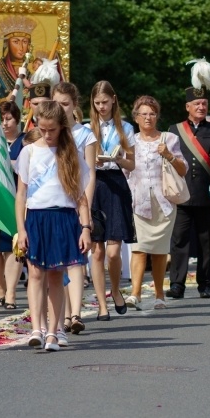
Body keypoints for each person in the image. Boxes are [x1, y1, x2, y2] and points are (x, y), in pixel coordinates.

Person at [16, 101, 92, 351]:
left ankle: (53, 331)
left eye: (52, 130)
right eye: (43, 129)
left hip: (63, 217)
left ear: (62, 128)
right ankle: (36, 327)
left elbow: (80, 196)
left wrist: (85, 228)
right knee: (35, 273)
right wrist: (22, 228)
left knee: (56, 274)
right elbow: (21, 194)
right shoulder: (29, 152)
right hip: (36, 217)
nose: (47, 135)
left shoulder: (71, 153)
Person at [167, 79, 210, 299]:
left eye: (204, 103)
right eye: (197, 104)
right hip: (182, 194)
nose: (201, 107)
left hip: (206, 194)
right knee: (179, 241)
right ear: (188, 107)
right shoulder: (174, 130)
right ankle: (177, 284)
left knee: (206, 242)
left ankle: (206, 283)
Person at [125, 96, 188, 309]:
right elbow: (124, 171)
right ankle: (135, 293)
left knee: (160, 250)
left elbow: (183, 169)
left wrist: (169, 155)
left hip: (163, 201)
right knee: (139, 248)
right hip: (137, 201)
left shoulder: (169, 139)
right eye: (143, 114)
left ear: (157, 116)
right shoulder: (130, 141)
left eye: (152, 113)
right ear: (136, 117)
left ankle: (160, 295)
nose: (148, 117)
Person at [87, 81, 136, 317]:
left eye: (105, 102)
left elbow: (132, 163)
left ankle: (115, 289)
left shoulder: (125, 128)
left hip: (116, 183)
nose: (101, 107)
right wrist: (93, 161)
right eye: (97, 103)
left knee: (113, 251)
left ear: (113, 100)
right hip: (95, 184)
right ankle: (102, 305)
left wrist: (116, 160)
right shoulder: (88, 129)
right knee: (96, 250)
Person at [52, 82, 96, 334]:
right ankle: (66, 313)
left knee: (77, 258)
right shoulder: (48, 133)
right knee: (59, 261)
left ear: (74, 106)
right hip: (54, 203)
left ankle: (76, 313)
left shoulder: (85, 135)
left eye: (65, 104)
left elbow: (90, 175)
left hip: (78, 201)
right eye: (56, 104)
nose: (61, 109)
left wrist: (85, 211)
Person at [0, 101, 25, 310]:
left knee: (14, 246)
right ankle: (0, 288)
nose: (5, 124)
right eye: (1, 119)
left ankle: (12, 294)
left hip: (18, 198)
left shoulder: (25, 142)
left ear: (17, 119)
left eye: (9, 119)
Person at [0, 15, 38, 100]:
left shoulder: (31, 74)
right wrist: (5, 100)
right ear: (7, 44)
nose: (21, 47)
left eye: (25, 42)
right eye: (16, 41)